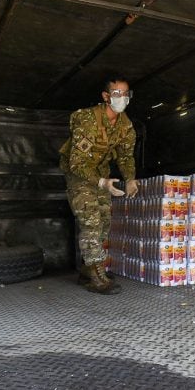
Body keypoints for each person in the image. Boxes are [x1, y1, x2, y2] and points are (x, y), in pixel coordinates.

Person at [59, 75, 138, 294]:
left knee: (104, 221)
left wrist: (130, 178)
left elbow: (125, 156)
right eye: (117, 94)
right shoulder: (87, 120)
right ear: (106, 96)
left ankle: (88, 268)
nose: (122, 98)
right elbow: (76, 163)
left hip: (102, 175)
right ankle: (96, 274)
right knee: (91, 222)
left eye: (126, 93)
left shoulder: (126, 125)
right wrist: (101, 182)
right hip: (79, 176)